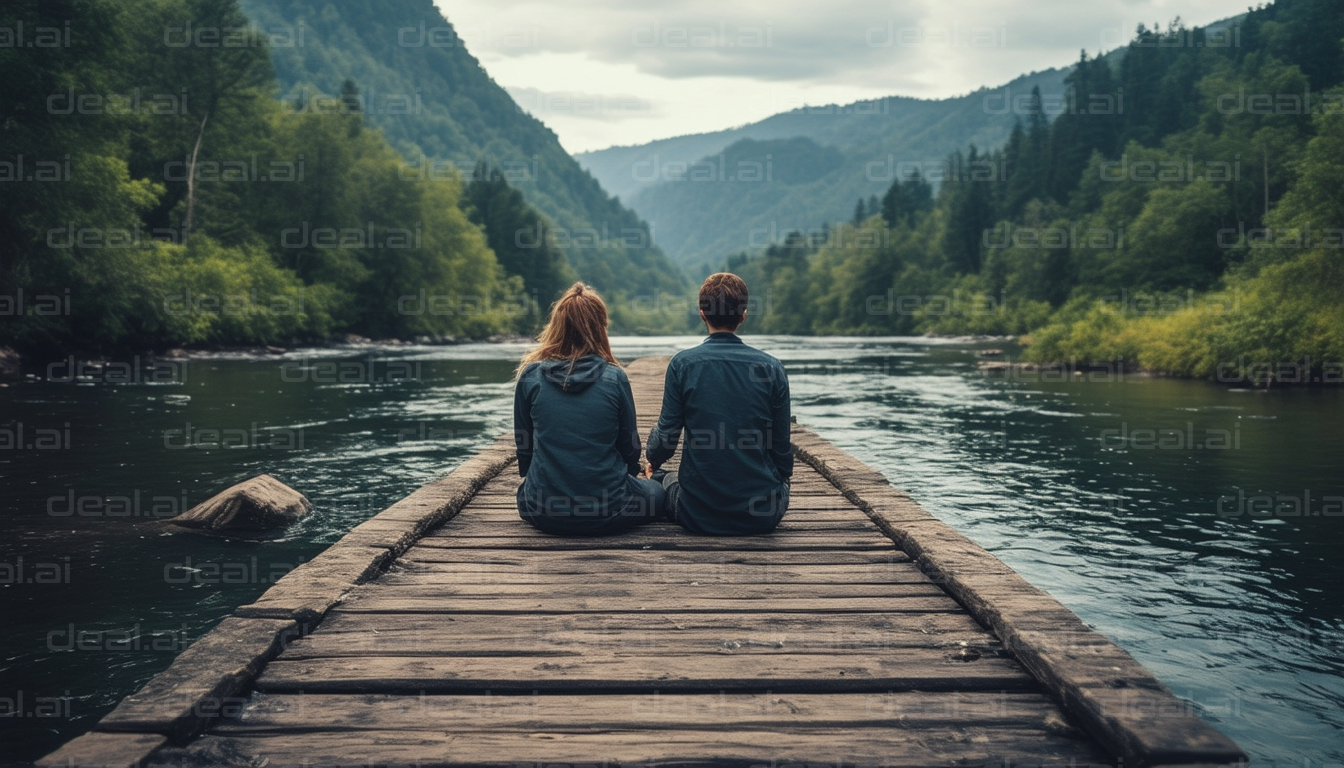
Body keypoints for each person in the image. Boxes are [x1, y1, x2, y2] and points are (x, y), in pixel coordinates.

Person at [646, 273, 792, 535]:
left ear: (702, 313)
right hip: (762, 516)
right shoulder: (772, 368)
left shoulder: (682, 365)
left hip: (696, 514)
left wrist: (651, 460)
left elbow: (666, 440)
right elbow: (782, 453)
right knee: (778, 482)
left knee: (661, 479)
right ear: (743, 315)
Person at [513, 283, 664, 534]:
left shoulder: (531, 376)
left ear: (556, 327)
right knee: (657, 492)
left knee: (524, 493)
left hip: (543, 510)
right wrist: (627, 475)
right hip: (610, 508)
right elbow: (630, 449)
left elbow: (524, 448)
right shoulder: (614, 377)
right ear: (600, 328)